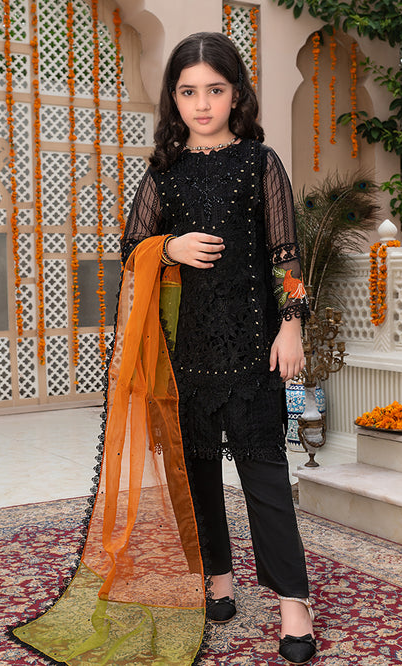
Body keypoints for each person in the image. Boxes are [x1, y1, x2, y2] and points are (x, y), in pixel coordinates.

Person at [121, 31, 317, 665]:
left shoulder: (260, 163)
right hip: (187, 354)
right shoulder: (164, 172)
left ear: (237, 95)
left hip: (255, 347)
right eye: (188, 92)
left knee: (266, 478)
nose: (202, 104)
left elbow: (286, 256)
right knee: (199, 473)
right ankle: (218, 580)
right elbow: (130, 250)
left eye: (215, 90)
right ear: (173, 99)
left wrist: (292, 325)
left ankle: (293, 604)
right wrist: (168, 247)